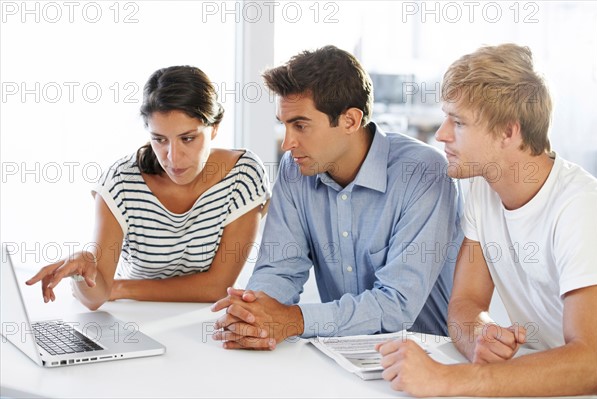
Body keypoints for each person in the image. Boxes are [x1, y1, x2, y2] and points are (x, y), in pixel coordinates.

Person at [377, 43, 597, 396]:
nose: (441, 134)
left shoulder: (581, 208)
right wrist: (479, 336)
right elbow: (465, 304)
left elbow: (592, 362)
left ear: (509, 132)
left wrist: (448, 380)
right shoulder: (482, 187)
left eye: (459, 122)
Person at [210, 45, 463, 350]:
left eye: (300, 125)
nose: (288, 143)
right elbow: (279, 268)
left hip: (428, 359)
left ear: (350, 121)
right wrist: (252, 313)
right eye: (284, 125)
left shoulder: (422, 173)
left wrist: (294, 320)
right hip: (338, 354)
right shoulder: (295, 169)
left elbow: (397, 305)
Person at [26, 66, 271, 310]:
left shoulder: (243, 175)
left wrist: (121, 287)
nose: (173, 158)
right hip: (132, 318)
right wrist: (82, 272)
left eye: (188, 138)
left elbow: (217, 287)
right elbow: (96, 298)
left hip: (204, 323)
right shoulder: (121, 183)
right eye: (160, 139)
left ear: (215, 127)